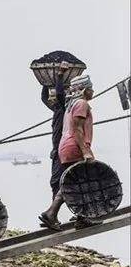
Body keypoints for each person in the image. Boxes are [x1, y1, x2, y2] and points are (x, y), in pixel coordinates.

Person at [41, 74, 96, 229]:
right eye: (91, 88)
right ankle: (51, 214)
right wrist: (86, 151)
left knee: (74, 182)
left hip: (66, 148)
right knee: (80, 181)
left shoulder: (71, 104)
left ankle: (80, 217)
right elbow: (78, 130)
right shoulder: (81, 103)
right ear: (85, 89)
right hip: (74, 147)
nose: (93, 91)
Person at [40, 62, 74, 200]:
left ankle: (78, 215)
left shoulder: (67, 108)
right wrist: (45, 82)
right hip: (57, 151)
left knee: (65, 181)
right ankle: (53, 216)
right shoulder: (57, 109)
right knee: (55, 183)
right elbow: (44, 98)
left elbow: (59, 95)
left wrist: (59, 75)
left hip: (64, 150)